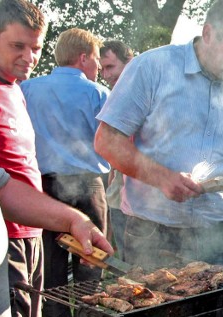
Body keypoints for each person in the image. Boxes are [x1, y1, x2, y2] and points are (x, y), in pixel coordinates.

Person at [94, 0, 223, 271]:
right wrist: (162, 178)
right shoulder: (151, 68)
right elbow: (107, 140)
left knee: (220, 314)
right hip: (153, 233)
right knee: (154, 312)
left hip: (222, 236)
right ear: (208, 33)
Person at [0, 1, 113, 317]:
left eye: (35, 48)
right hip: (14, 228)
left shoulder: (20, 89)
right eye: (18, 46)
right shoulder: (95, 92)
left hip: (37, 209)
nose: (29, 57)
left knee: (37, 309)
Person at [20, 27, 110, 317]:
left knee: (52, 275)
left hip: (43, 191)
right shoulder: (97, 93)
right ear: (83, 58)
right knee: (91, 269)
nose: (98, 67)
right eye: (96, 59)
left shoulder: (27, 89)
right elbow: (112, 142)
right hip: (88, 188)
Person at [99, 40, 134, 262]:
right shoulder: (113, 97)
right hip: (119, 196)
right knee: (130, 266)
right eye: (102, 68)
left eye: (110, 67)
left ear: (129, 63)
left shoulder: (142, 95)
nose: (104, 74)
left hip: (142, 203)